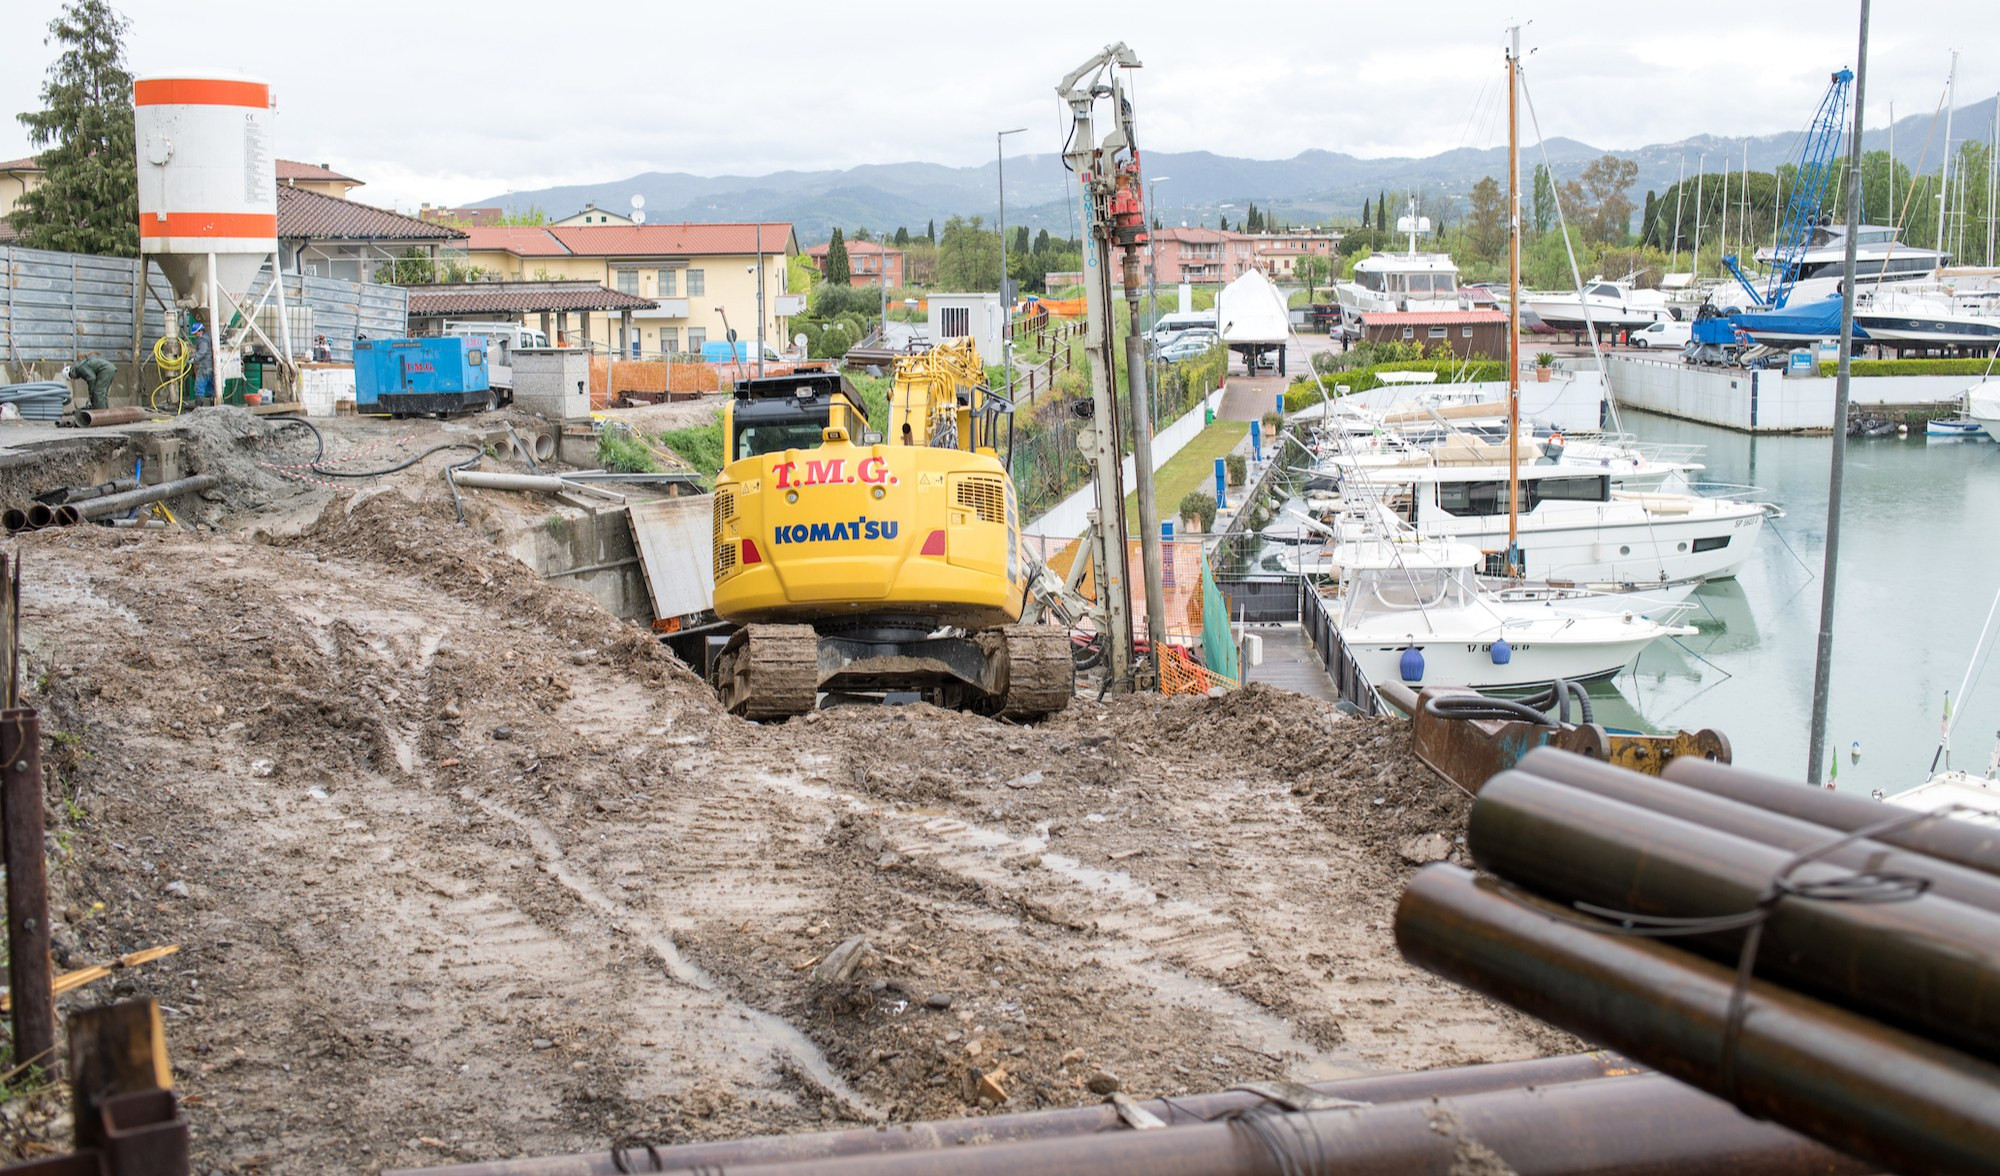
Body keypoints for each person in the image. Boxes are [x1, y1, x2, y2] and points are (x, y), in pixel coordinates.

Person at [190, 321, 214, 404]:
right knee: (211, 387)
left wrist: (194, 359)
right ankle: (214, 405)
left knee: (199, 386)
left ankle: (199, 406)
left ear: (200, 331)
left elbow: (202, 351)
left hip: (204, 366)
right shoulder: (208, 338)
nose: (195, 335)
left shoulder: (202, 340)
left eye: (195, 333)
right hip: (211, 366)